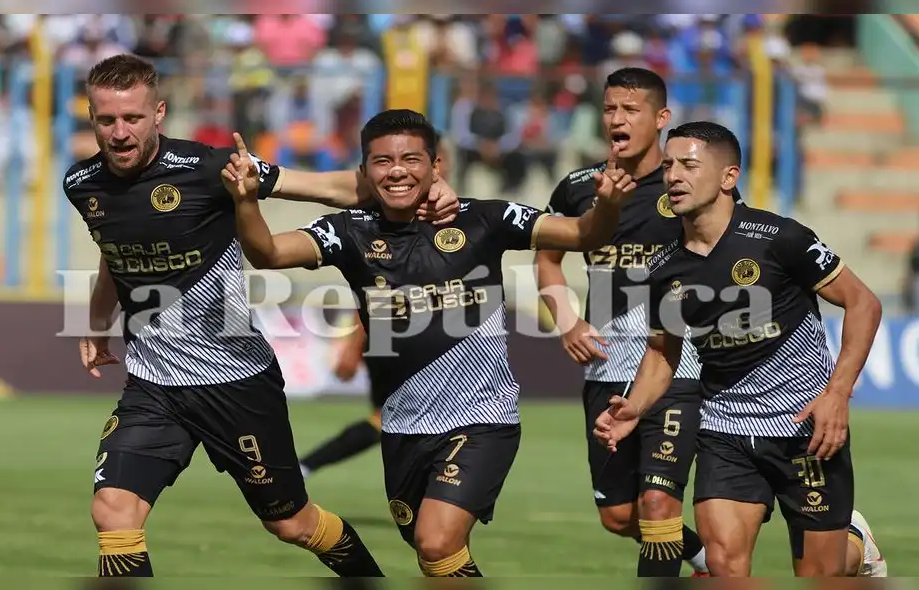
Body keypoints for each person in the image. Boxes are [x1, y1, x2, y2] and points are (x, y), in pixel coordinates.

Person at [65, 54, 461, 578]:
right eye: (107, 119)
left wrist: (431, 186)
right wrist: (97, 322)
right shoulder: (82, 183)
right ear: (91, 117)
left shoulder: (210, 168)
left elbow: (336, 188)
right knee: (113, 511)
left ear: (158, 113)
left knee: (293, 524)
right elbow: (112, 253)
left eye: (132, 118)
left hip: (236, 381)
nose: (119, 133)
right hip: (153, 383)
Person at [221, 109, 636, 576]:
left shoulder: (487, 217)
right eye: (382, 161)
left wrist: (609, 206)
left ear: (436, 166)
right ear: (363, 171)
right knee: (435, 557)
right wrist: (247, 201)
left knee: (435, 541)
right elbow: (268, 253)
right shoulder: (348, 230)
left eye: (411, 159)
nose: (397, 171)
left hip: (482, 418)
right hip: (403, 424)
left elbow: (583, 233)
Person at [594, 121, 887, 577]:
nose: (674, 176)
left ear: (728, 177)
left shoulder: (780, 238)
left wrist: (837, 393)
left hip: (803, 427)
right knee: (724, 565)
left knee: (822, 574)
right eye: (668, 166)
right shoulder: (663, 268)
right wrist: (635, 405)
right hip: (723, 429)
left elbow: (863, 302)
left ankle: (857, 544)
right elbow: (663, 352)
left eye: (689, 165)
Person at [535, 67, 713, 577]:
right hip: (605, 365)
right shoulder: (577, 187)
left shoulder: (685, 186)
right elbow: (547, 257)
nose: (617, 119)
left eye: (631, 109)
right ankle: (708, 561)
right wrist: (568, 321)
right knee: (618, 516)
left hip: (675, 365)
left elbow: (723, 251)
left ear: (660, 118)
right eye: (610, 108)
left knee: (658, 505)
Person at [298, 132, 455, 480]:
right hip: (394, 334)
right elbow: (376, 287)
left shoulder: (449, 211)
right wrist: (355, 343)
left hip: (431, 331)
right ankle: (305, 466)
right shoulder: (391, 211)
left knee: (405, 421)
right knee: (388, 419)